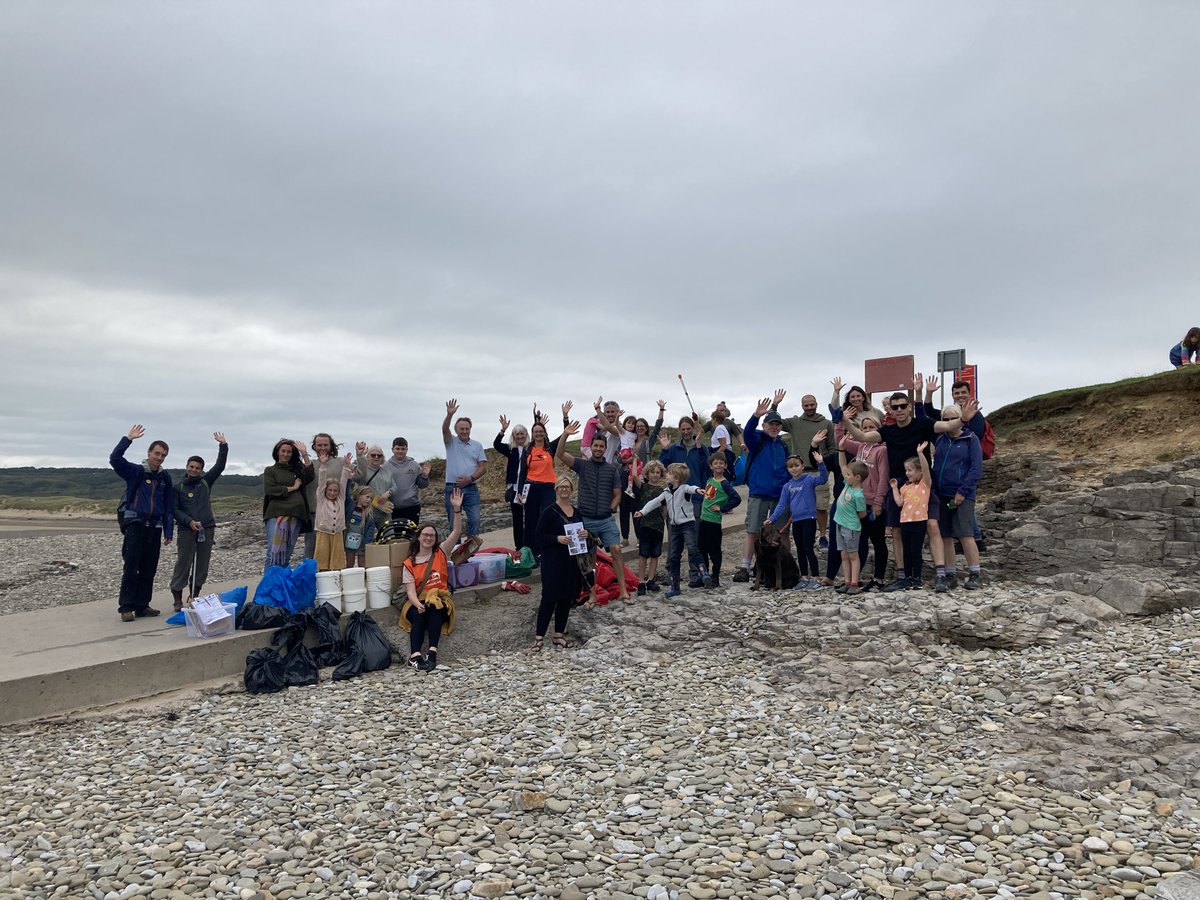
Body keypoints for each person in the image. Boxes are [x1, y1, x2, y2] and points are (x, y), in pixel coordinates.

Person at [842, 392, 963, 591]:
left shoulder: (922, 423)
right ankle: (902, 576)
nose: (899, 410)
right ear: (890, 409)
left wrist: (965, 418)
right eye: (895, 406)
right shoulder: (888, 431)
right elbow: (862, 436)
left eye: (902, 406)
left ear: (909, 407)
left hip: (924, 482)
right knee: (896, 531)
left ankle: (941, 575)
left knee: (933, 525)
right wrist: (844, 421)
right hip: (897, 484)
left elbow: (948, 426)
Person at [555, 421, 631, 603]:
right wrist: (565, 434)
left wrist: (611, 507)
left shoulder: (612, 469)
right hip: (586, 519)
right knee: (589, 557)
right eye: (595, 446)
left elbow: (617, 494)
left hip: (606, 519)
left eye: (601, 446)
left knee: (616, 550)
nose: (598, 449)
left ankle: (623, 591)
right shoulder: (582, 465)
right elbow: (559, 454)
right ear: (591, 447)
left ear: (605, 448)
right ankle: (592, 594)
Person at [110, 424, 174, 622]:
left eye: (163, 455)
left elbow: (168, 506)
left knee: (149, 568)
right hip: (136, 524)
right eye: (157, 453)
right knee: (132, 566)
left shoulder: (165, 478)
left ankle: (142, 605)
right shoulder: (135, 471)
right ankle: (126, 607)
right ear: (149, 453)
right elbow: (115, 459)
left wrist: (169, 531)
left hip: (155, 527)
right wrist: (128, 439)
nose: (159, 458)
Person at [398, 488, 463, 672]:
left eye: (431, 536)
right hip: (418, 600)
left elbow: (457, 531)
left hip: (439, 597)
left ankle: (432, 653)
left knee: (435, 606)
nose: (428, 538)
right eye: (425, 535)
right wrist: (417, 604)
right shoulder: (409, 563)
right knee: (420, 614)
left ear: (435, 539)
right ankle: (415, 656)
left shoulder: (441, 551)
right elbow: (410, 591)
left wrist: (457, 510)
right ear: (419, 537)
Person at [733, 394, 790, 583]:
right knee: (753, 531)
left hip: (780, 496)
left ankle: (785, 565)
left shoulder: (783, 445)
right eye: (771, 424)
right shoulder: (757, 439)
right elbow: (748, 431)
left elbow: (789, 469)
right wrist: (756, 416)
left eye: (777, 425)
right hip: (759, 493)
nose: (774, 427)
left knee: (781, 532)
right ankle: (745, 566)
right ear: (764, 426)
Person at [169, 432, 228, 610]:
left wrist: (223, 445)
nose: (194, 470)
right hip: (187, 530)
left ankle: (194, 595)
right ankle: (177, 596)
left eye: (197, 468)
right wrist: (188, 521)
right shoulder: (177, 487)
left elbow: (220, 466)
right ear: (187, 467)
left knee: (202, 564)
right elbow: (174, 510)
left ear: (201, 470)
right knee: (183, 562)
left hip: (206, 528)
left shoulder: (206, 482)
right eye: (191, 466)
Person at [771, 391, 837, 549]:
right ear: (802, 406)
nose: (809, 407)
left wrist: (824, 462)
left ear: (816, 405)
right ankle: (806, 537)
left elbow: (832, 447)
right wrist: (775, 404)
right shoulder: (794, 423)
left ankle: (822, 536)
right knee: (800, 506)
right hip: (799, 473)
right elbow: (774, 421)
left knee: (821, 506)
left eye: (812, 405)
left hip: (819, 471)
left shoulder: (826, 423)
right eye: (806, 405)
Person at [532, 475, 589, 651]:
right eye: (561, 487)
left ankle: (558, 635)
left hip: (571, 561)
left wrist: (586, 534)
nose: (564, 489)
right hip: (553, 561)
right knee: (549, 597)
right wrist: (557, 538)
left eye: (567, 487)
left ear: (572, 490)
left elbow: (582, 532)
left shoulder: (577, 512)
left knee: (566, 597)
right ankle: (539, 637)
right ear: (556, 490)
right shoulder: (549, 512)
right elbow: (539, 536)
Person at [834, 417, 890, 591]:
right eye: (864, 427)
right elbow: (841, 442)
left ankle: (879, 579)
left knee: (878, 541)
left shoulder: (882, 450)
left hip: (873, 503)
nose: (867, 430)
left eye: (871, 427)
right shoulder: (861, 447)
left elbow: (883, 477)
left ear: (878, 430)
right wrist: (839, 422)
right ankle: (853, 580)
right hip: (857, 502)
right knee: (859, 542)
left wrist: (878, 502)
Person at [933, 404, 984, 590]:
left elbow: (976, 469)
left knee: (965, 533)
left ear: (960, 418)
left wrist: (963, 491)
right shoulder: (941, 440)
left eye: (952, 418)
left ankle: (975, 574)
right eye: (945, 419)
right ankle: (950, 575)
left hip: (962, 495)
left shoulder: (971, 439)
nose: (949, 422)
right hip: (942, 495)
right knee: (945, 535)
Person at [636, 462, 705, 598]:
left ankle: (703, 570)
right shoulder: (666, 492)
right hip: (674, 527)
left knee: (692, 547)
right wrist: (642, 512)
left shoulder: (684, 488)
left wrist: (698, 490)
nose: (666, 475)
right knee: (674, 557)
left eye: (669, 473)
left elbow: (691, 488)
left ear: (677, 478)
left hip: (687, 524)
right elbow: (654, 502)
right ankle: (675, 586)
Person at [768, 447, 829, 587]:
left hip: (809, 519)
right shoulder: (787, 486)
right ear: (787, 469)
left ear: (802, 466)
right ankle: (804, 577)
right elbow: (781, 505)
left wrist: (821, 463)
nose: (794, 469)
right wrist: (772, 518)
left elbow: (823, 479)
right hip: (796, 521)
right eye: (791, 467)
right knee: (800, 550)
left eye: (796, 466)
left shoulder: (809, 479)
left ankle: (815, 577)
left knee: (808, 548)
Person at [519, 402, 571, 559]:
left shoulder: (550, 448)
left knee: (548, 517)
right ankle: (531, 553)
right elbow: (522, 473)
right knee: (531, 521)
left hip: (548, 487)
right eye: (536, 432)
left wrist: (565, 417)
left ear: (544, 433)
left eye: (541, 431)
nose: (538, 434)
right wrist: (520, 492)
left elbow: (565, 434)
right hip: (530, 487)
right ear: (532, 434)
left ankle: (549, 549)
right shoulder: (527, 450)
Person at [263, 438, 314, 570]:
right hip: (276, 514)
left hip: (296, 514)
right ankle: (270, 581)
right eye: (283, 451)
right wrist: (293, 487)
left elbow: (310, 476)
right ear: (277, 452)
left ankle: (282, 581)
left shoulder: (297, 469)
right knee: (273, 553)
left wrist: (304, 454)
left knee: (286, 554)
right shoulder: (270, 470)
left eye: (289, 452)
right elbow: (271, 490)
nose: (286, 454)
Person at [888, 446, 933, 591]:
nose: (907, 473)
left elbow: (926, 469)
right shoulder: (905, 487)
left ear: (919, 471)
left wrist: (920, 453)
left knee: (916, 550)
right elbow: (899, 503)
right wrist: (894, 488)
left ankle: (917, 578)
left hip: (919, 522)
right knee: (906, 551)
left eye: (910, 470)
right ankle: (907, 577)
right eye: (906, 470)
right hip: (905, 522)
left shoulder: (924, 485)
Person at [441, 399, 487, 538]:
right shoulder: (451, 442)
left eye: (467, 429)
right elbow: (444, 429)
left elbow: (483, 467)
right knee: (454, 523)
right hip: (453, 488)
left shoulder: (477, 445)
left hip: (471, 488)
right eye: (462, 429)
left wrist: (470, 479)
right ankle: (456, 549)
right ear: (456, 430)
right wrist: (449, 415)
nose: (465, 431)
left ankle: (471, 548)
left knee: (475, 520)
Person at [302, 433, 348, 560]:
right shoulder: (309, 465)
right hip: (313, 514)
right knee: (311, 549)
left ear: (331, 445)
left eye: (325, 445)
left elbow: (359, 476)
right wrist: (304, 455)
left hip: (335, 515)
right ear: (314, 447)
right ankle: (309, 572)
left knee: (334, 551)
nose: (323, 448)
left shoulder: (340, 462)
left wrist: (360, 456)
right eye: (319, 445)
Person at [698, 453, 741, 587]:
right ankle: (704, 576)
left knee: (714, 550)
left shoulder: (725, 484)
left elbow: (737, 499)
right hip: (703, 519)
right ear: (711, 466)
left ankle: (715, 577)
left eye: (721, 463)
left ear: (725, 466)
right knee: (702, 548)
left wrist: (722, 508)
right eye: (715, 463)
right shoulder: (709, 479)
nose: (718, 465)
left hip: (714, 522)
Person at [833, 453, 869, 595]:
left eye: (849, 475)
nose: (846, 476)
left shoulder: (858, 495)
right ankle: (846, 581)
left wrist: (852, 517)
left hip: (851, 527)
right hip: (839, 524)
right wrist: (841, 449)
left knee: (853, 555)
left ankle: (854, 582)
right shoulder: (847, 485)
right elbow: (842, 465)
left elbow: (862, 513)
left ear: (857, 478)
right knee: (844, 555)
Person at [494, 414, 530, 548]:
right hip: (514, 489)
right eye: (517, 434)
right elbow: (496, 445)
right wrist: (502, 430)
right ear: (514, 436)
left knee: (531, 518)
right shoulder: (510, 449)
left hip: (528, 487)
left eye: (522, 434)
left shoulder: (530, 449)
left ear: (526, 435)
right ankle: (519, 547)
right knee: (517, 519)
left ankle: (530, 545)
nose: (519, 436)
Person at [632, 459, 667, 595]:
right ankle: (641, 581)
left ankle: (651, 580)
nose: (655, 475)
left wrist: (663, 519)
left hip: (658, 526)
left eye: (658, 472)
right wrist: (634, 460)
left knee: (655, 554)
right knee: (643, 554)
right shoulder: (644, 487)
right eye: (652, 472)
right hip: (645, 525)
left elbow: (664, 509)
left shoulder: (663, 491)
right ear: (647, 473)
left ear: (661, 474)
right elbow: (634, 476)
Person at [313, 453, 353, 572]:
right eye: (330, 490)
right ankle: (323, 577)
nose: (332, 493)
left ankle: (336, 577)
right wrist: (323, 465)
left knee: (337, 560)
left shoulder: (340, 499)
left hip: (338, 532)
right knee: (322, 559)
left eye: (335, 490)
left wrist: (346, 465)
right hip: (323, 531)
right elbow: (321, 482)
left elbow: (343, 482)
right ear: (325, 490)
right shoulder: (321, 499)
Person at [378, 437, 431, 526]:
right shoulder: (385, 467)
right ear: (392, 449)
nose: (400, 451)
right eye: (397, 449)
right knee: (394, 534)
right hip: (391, 508)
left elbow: (422, 485)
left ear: (407, 450)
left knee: (411, 533)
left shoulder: (414, 465)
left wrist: (425, 476)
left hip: (412, 507)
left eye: (403, 449)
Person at [344, 485, 379, 568]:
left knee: (362, 563)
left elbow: (370, 530)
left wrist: (367, 543)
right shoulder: (350, 506)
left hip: (362, 543)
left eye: (370, 498)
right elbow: (345, 494)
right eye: (367, 497)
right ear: (359, 496)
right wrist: (348, 480)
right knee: (349, 563)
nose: (369, 500)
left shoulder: (369, 513)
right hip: (349, 541)